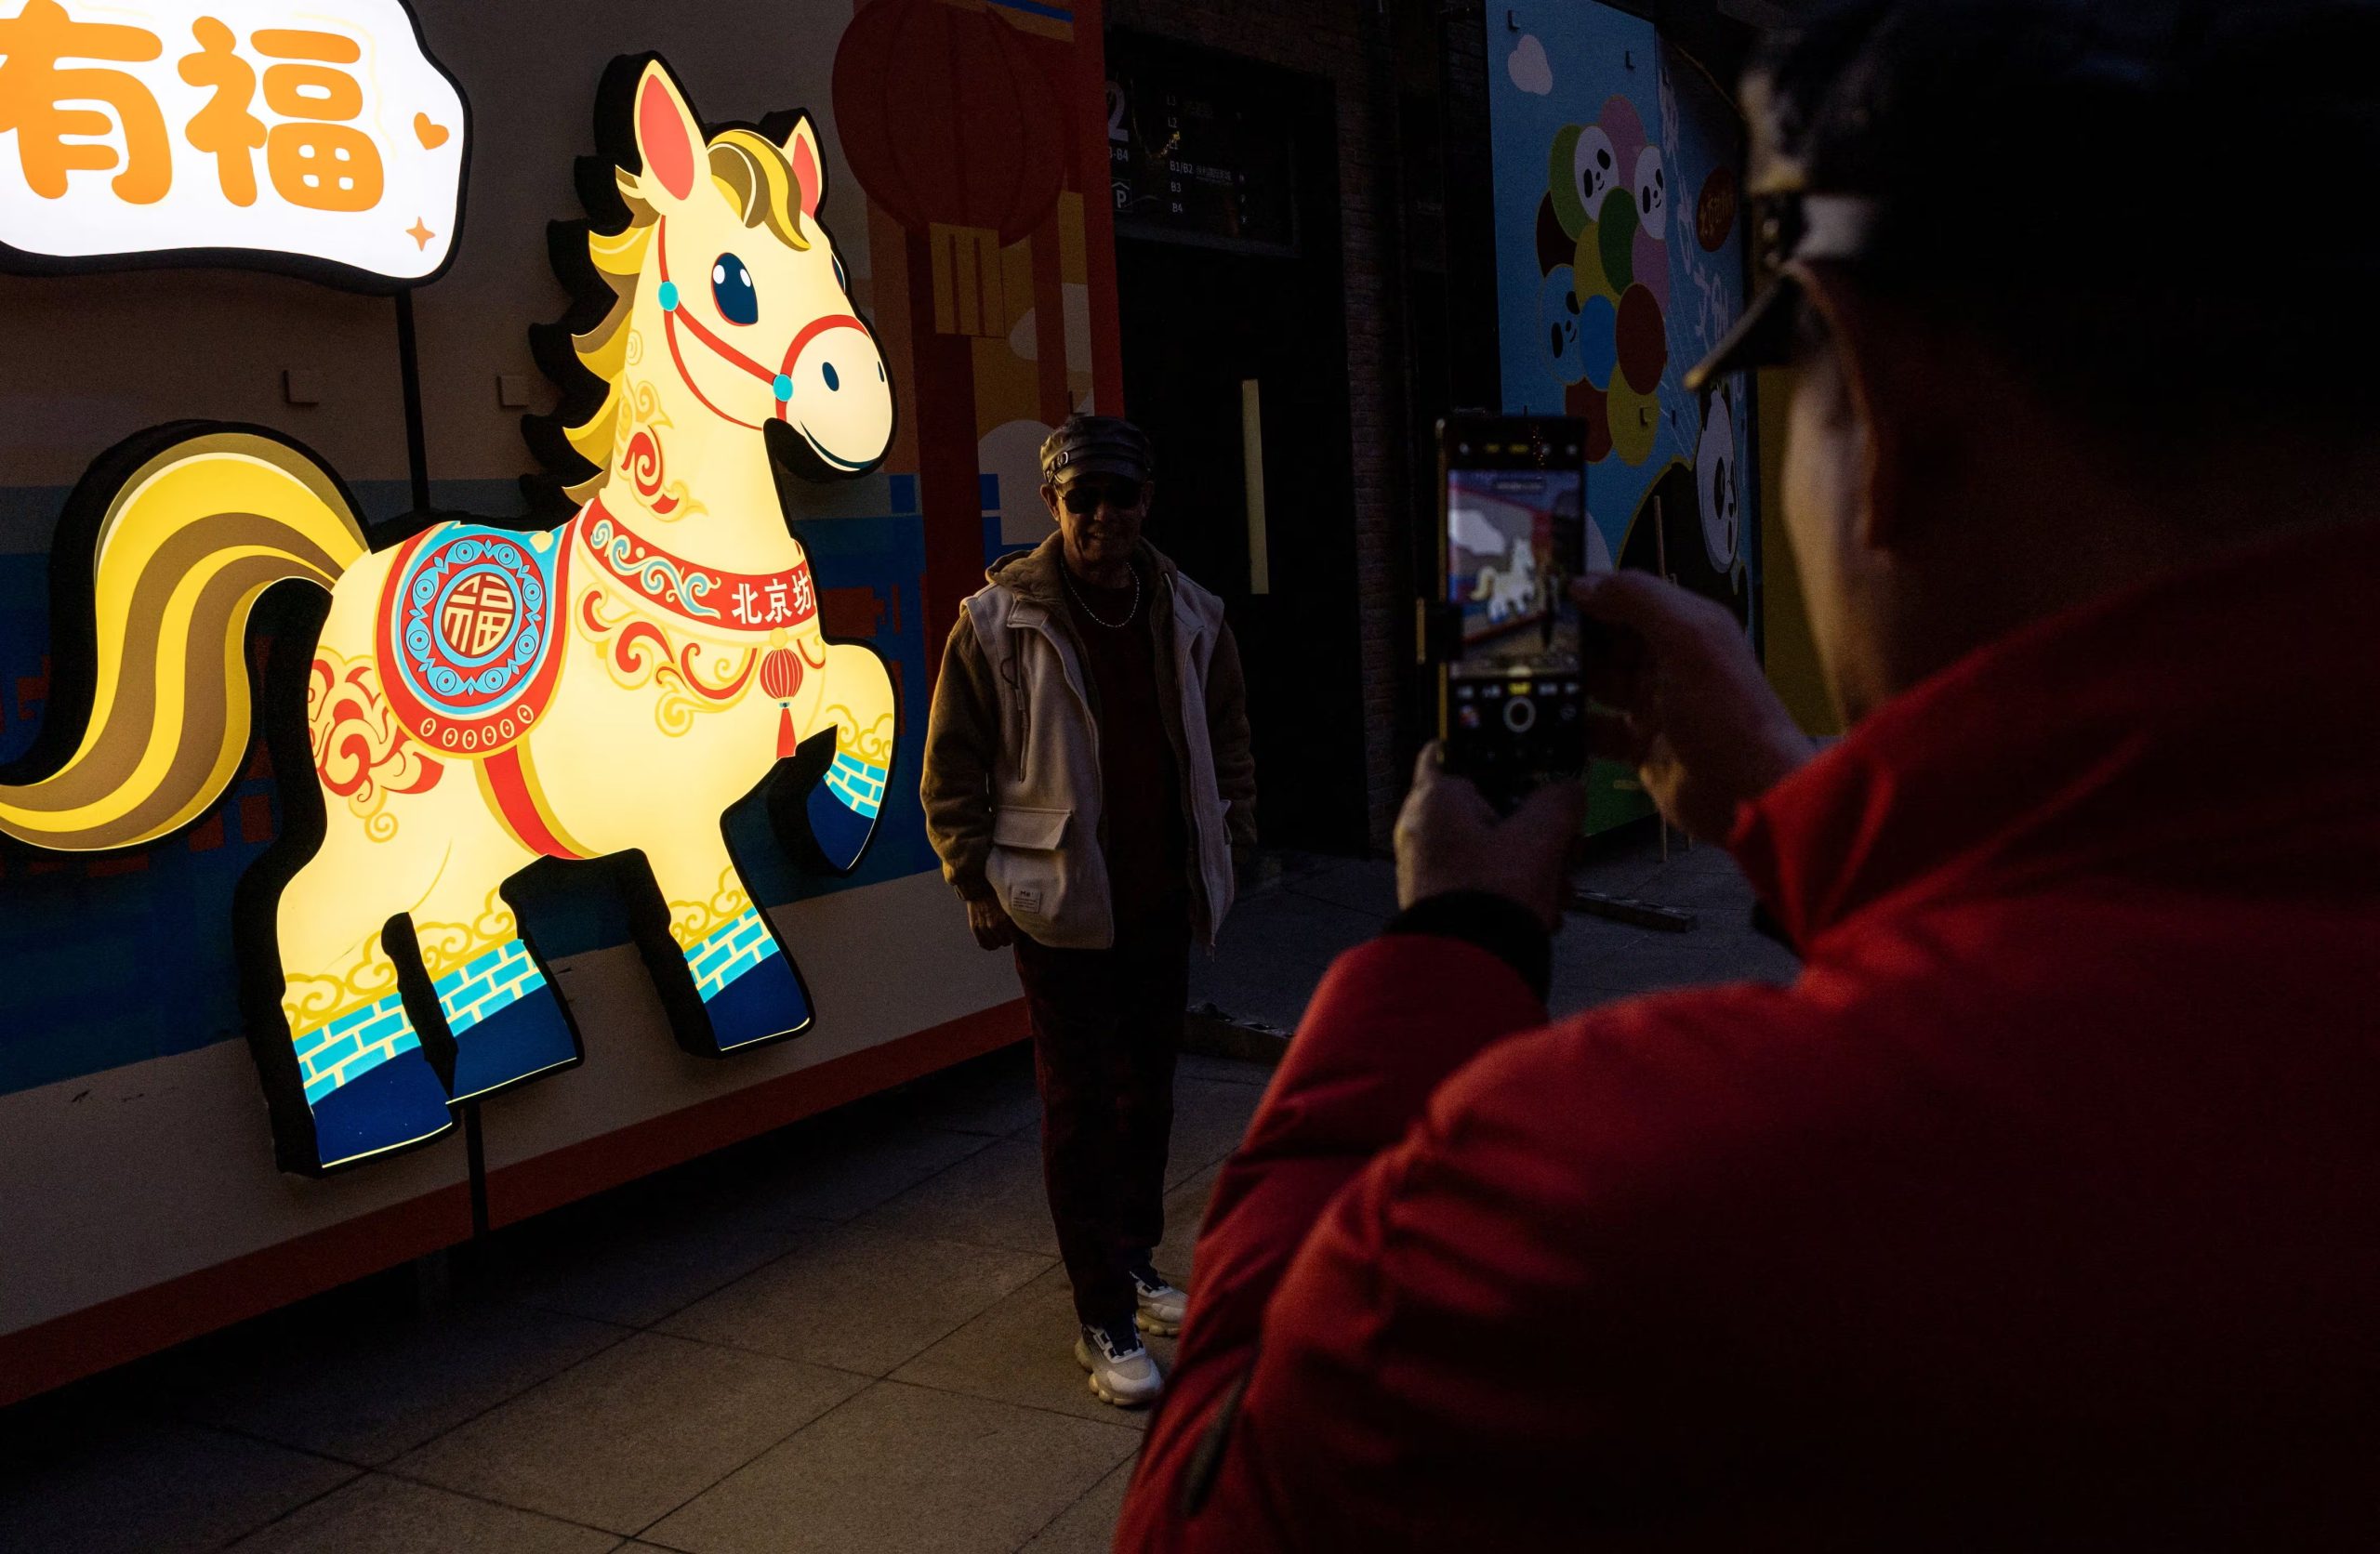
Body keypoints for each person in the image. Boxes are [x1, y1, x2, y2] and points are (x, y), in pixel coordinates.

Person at [1118, 0, 2380, 1545]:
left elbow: (1211, 1498)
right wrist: (1802, 811)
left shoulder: (1606, 1207)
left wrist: (1452, 942)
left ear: (1886, 403)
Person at [920, 414, 1256, 1409]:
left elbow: (1230, 735)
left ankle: (1139, 1260)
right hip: (1058, 904)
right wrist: (972, 877)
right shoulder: (996, 620)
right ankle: (1099, 1313)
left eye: (1121, 496)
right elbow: (952, 763)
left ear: (1146, 502)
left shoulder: (1191, 611)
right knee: (1077, 1106)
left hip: (1158, 897)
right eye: (1083, 499)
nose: (1103, 517)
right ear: (1053, 504)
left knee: (1147, 1091)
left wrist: (1231, 841)